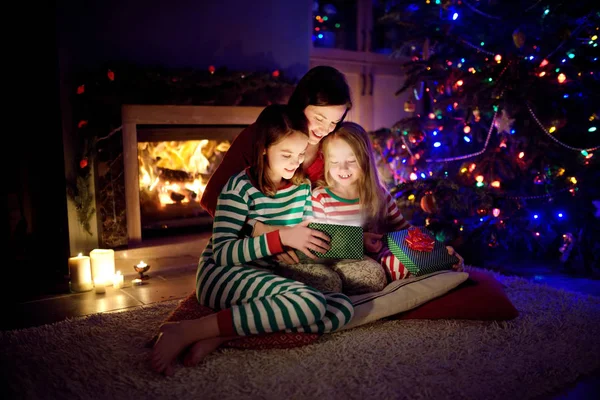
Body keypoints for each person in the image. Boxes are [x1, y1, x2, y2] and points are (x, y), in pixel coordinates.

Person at [151, 104, 355, 375]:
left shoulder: (301, 187)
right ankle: (187, 330)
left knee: (342, 306)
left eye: (300, 153)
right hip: (222, 275)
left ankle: (224, 334)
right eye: (286, 154)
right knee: (309, 304)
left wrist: (324, 241)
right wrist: (280, 238)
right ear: (263, 149)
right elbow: (223, 253)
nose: (294, 162)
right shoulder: (239, 189)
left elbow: (304, 231)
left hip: (264, 275)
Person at [199, 65, 352, 265]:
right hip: (256, 248)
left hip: (304, 245)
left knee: (362, 270)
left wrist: (357, 238)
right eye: (319, 118)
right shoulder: (261, 138)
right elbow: (213, 198)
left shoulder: (330, 148)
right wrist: (266, 234)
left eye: (334, 123)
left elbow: (323, 214)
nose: (325, 129)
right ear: (301, 105)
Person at [311, 122, 464, 286]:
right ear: (326, 161)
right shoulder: (321, 198)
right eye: (334, 162)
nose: (343, 168)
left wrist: (440, 250)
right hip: (345, 263)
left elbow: (405, 230)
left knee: (427, 262)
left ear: (365, 159)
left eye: (351, 160)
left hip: (382, 256)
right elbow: (321, 244)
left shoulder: (379, 194)